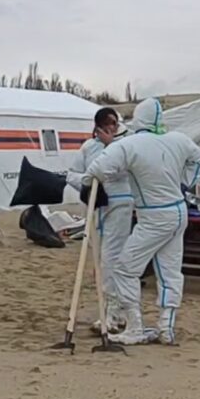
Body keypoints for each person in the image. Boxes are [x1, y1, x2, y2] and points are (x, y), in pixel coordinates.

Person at [83, 98, 200, 345]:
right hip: (178, 211)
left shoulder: (130, 145)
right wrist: (185, 181)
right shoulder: (177, 140)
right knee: (170, 271)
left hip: (154, 216)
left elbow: (96, 169)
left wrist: (87, 185)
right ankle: (166, 327)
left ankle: (135, 326)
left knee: (125, 269)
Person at [66, 107, 133, 333]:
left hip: (120, 205)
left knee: (112, 259)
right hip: (96, 206)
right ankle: (108, 311)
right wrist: (88, 184)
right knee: (99, 260)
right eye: (106, 123)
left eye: (114, 122)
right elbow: (72, 174)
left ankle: (114, 314)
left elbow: (128, 170)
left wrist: (111, 145)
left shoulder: (126, 143)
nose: (111, 127)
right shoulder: (88, 147)